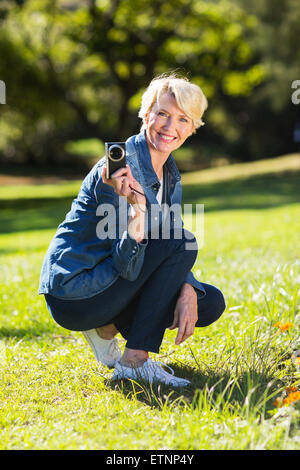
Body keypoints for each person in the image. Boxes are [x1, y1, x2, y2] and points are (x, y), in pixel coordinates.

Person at [39, 73, 226, 387]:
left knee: (209, 301)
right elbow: (129, 263)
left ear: (192, 128)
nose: (170, 127)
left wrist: (188, 288)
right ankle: (135, 361)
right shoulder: (117, 170)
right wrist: (138, 209)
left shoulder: (169, 173)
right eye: (163, 114)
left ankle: (106, 328)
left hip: (111, 284)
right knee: (180, 242)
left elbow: (165, 245)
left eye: (183, 119)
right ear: (146, 114)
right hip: (75, 291)